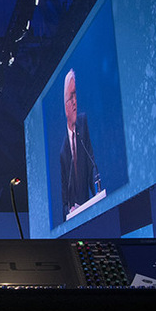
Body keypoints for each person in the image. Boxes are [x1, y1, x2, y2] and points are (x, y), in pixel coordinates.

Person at [59, 69, 99, 217]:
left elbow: (93, 162)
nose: (75, 101)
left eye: (75, 94)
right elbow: (64, 197)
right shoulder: (63, 151)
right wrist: (69, 210)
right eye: (71, 97)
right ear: (65, 107)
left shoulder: (84, 122)